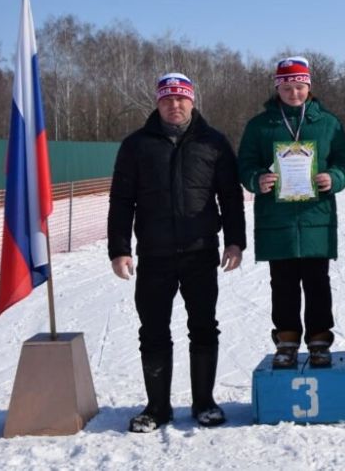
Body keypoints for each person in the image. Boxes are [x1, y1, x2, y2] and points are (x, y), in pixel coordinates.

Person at [108, 73, 245, 433]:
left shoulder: (213, 142)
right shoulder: (136, 145)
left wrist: (235, 241)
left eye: (181, 98)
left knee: (203, 327)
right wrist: (119, 249)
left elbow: (230, 197)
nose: (175, 105)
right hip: (154, 255)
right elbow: (121, 201)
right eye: (167, 99)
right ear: (158, 103)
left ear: (192, 101)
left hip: (200, 252)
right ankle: (157, 407)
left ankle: (204, 402)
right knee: (153, 330)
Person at [237, 56, 345, 369]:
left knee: (318, 281)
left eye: (300, 86)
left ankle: (319, 340)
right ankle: (286, 340)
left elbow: (344, 160)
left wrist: (335, 178)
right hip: (278, 219)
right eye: (287, 87)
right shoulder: (260, 125)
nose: (294, 93)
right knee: (283, 282)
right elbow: (245, 163)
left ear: (309, 87)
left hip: (315, 216)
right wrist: (256, 179)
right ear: (278, 88)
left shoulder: (328, 123)